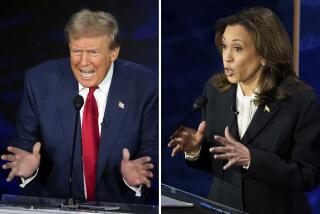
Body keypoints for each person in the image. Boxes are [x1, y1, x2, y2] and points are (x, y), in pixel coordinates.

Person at [168, 7, 320, 213]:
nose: (227, 57)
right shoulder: (214, 91)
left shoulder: (301, 101)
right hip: (222, 207)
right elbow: (222, 166)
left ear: (265, 54)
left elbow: (308, 175)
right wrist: (196, 150)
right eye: (224, 46)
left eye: (237, 48)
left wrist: (252, 160)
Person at [1, 9, 158, 204]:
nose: (83, 62)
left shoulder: (144, 85)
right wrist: (28, 170)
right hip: (55, 205)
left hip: (121, 205)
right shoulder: (39, 81)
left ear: (113, 52)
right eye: (76, 51)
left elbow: (151, 151)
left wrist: (134, 177)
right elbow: (26, 141)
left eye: (93, 52)